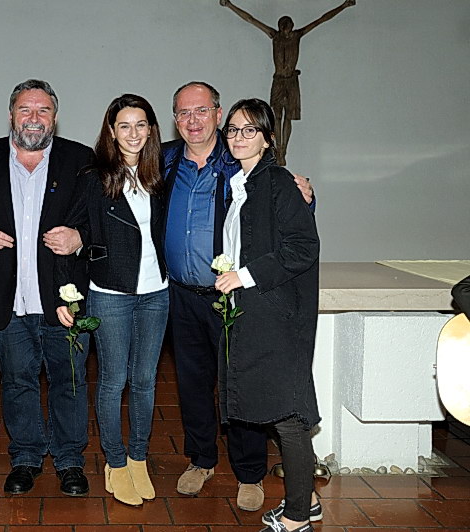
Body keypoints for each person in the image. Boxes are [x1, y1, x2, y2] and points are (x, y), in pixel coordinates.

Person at [163, 81, 314, 512]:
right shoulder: (165, 161)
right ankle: (201, 459)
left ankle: (249, 473)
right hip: (181, 294)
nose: (192, 120)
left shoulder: (240, 161)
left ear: (217, 113)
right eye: (183, 112)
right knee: (192, 384)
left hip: (231, 295)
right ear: (175, 120)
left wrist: (307, 195)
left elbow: (286, 219)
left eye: (201, 110)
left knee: (242, 383)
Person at [0, 79, 94, 496]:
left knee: (69, 380)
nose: (34, 118)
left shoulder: (81, 159)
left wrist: (80, 237)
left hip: (64, 299)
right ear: (11, 115)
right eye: (25, 110)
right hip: (7, 297)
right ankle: (25, 457)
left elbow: (101, 218)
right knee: (17, 380)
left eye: (43, 111)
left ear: (55, 117)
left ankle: (70, 460)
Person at [56, 94, 168, 506]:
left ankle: (138, 457)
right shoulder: (94, 177)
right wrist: (66, 293)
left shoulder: (161, 174)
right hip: (110, 294)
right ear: (111, 130)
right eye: (124, 125)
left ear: (151, 130)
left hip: (157, 293)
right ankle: (115, 463)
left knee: (145, 381)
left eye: (141, 125)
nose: (133, 133)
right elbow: (70, 235)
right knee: (113, 380)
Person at [214, 98, 320, 532]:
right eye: (233, 130)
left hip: (277, 315)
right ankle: (308, 500)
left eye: (249, 130)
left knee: (288, 415)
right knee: (274, 409)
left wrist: (243, 276)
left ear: (268, 139)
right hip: (252, 313)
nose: (239, 137)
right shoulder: (241, 184)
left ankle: (297, 518)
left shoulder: (277, 182)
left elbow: (302, 247)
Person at [220, 0, 356, 165]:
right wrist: (230, 5)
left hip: (291, 81)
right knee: (276, 116)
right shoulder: (275, 36)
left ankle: (283, 150)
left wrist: (343, 6)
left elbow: (321, 19)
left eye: (288, 24)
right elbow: (250, 19)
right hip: (278, 79)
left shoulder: (297, 36)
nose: (286, 27)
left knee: (288, 117)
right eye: (283, 24)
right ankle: (278, 149)